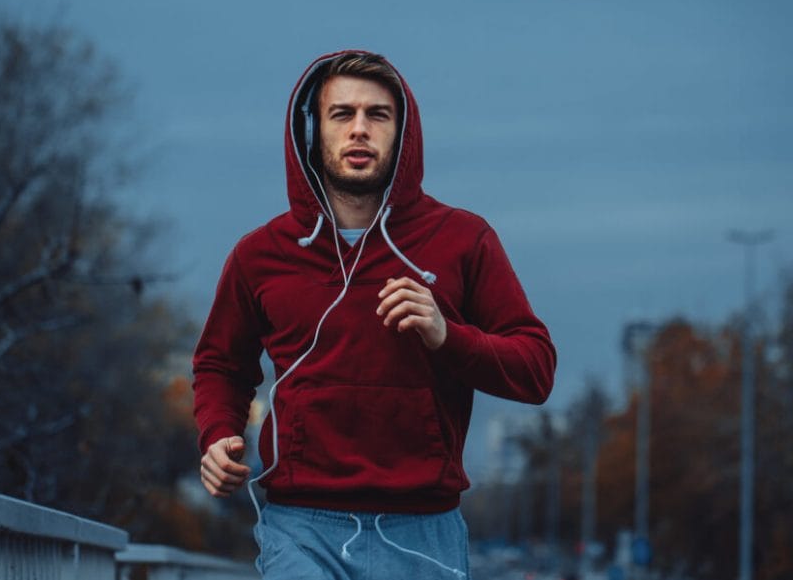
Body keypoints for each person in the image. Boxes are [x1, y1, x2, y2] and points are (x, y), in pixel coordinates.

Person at [193, 50, 556, 579]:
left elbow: (536, 368)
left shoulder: (463, 240)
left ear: (402, 131)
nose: (359, 129)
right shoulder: (260, 254)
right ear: (314, 132)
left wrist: (446, 335)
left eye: (377, 115)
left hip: (423, 529)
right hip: (300, 524)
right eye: (342, 114)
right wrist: (217, 434)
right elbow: (221, 364)